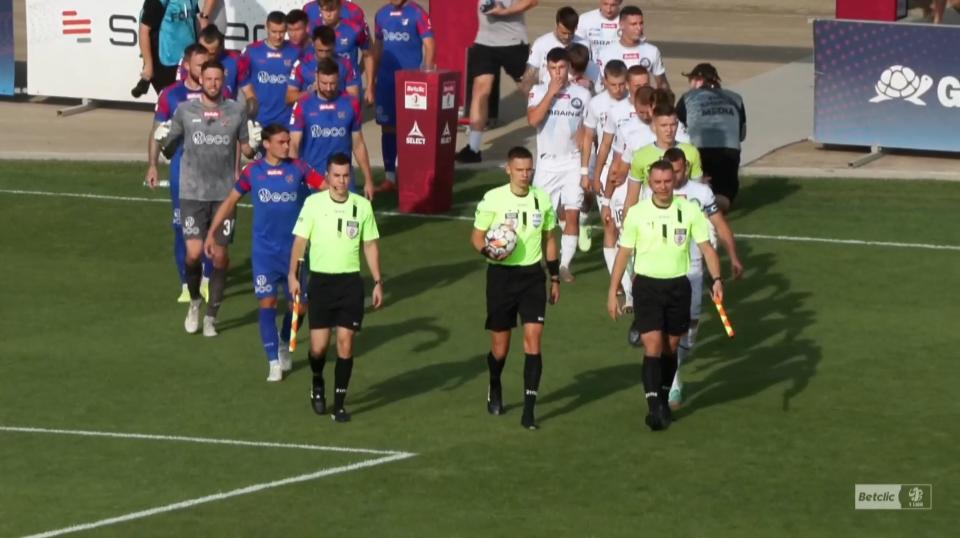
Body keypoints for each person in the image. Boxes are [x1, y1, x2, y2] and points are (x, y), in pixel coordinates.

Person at [607, 160, 724, 431]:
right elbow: (623, 253)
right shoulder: (638, 213)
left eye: (667, 181)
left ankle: (662, 398)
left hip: (678, 286)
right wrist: (613, 291)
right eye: (657, 182)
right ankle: (655, 408)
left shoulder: (689, 211)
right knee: (653, 346)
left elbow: (707, 249)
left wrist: (717, 279)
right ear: (650, 183)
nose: (662, 187)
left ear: (674, 181)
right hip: (647, 287)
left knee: (671, 347)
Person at [205, 125, 326, 381]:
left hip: (295, 252)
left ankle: (284, 340)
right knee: (267, 303)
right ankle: (272, 361)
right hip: (264, 254)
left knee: (300, 306)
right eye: (281, 142)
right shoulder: (253, 172)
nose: (287, 145)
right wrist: (211, 233)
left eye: (287, 141)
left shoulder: (299, 168)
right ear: (267, 144)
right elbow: (230, 201)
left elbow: (325, 187)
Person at [157, 59, 259, 336]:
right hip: (192, 193)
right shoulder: (185, 111)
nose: (213, 84)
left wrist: (256, 145)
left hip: (224, 196)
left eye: (217, 79)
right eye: (208, 79)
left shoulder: (236, 111)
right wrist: (163, 141)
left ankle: (211, 316)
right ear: (200, 79)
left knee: (220, 258)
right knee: (193, 254)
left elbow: (247, 150)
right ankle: (194, 302)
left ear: (224, 80)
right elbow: (170, 148)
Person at [288, 153, 384, 423]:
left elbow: (370, 244)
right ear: (327, 177)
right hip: (321, 283)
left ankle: (339, 404)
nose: (341, 181)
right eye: (336, 176)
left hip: (350, 284)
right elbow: (300, 242)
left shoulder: (362, 207)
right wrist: (293, 275)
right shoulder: (313, 204)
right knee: (319, 348)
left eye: (345, 176)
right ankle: (317, 380)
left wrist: (378, 281)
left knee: (345, 342)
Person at [471, 146, 560, 430]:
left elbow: (549, 239)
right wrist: (490, 252)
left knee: (533, 339)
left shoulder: (542, 199)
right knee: (500, 347)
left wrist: (554, 277)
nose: (525, 175)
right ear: (508, 169)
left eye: (529, 170)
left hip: (532, 277)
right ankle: (494, 382)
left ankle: (529, 411)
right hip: (501, 278)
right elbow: (477, 237)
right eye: (519, 170)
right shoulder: (493, 199)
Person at [652, 147, 743, 409]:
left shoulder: (701, 194)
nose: (673, 177)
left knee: (688, 331)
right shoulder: (653, 193)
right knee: (667, 329)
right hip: (662, 270)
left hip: (693, 269)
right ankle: (673, 383)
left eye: (678, 171)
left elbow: (720, 225)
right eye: (670, 172)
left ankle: (672, 370)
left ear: (686, 168)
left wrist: (733, 257)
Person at [146, 44, 211, 303]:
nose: (204, 70)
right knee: (181, 228)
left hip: (213, 171)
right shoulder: (170, 95)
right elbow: (157, 131)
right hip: (182, 171)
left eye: (207, 65)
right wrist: (153, 164)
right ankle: (186, 283)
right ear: (186, 65)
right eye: (199, 65)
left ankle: (206, 280)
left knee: (210, 227)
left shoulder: (217, 91)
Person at [526, 47, 592, 283]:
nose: (557, 72)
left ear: (569, 67)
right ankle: (539, 258)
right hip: (547, 163)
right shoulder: (537, 91)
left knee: (572, 212)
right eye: (553, 68)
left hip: (572, 161)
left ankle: (564, 265)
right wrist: (551, 93)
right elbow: (533, 120)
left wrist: (585, 167)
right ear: (547, 68)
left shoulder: (582, 94)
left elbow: (588, 130)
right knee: (540, 217)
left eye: (561, 67)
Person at [455, 0, 539, 164]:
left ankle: (555, 131)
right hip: (484, 42)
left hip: (513, 42)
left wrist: (505, 12)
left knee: (531, 89)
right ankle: (473, 149)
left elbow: (532, 1)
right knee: (480, 91)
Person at [371, 0, 435, 192]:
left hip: (412, 83)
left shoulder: (418, 13)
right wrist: (372, 80)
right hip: (386, 82)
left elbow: (430, 44)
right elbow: (378, 47)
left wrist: (426, 75)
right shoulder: (381, 14)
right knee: (388, 128)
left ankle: (415, 175)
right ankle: (390, 177)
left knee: (415, 129)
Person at [290, 58, 375, 200]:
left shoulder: (351, 104)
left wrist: (368, 179)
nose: (329, 88)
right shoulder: (303, 105)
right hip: (313, 179)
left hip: (343, 179)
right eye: (324, 83)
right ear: (316, 78)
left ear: (338, 79)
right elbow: (293, 144)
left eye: (333, 83)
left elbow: (358, 144)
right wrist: (294, 177)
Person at [582, 59, 629, 307]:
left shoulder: (634, 103)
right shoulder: (596, 104)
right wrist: (589, 172)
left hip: (630, 173)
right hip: (607, 174)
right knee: (610, 225)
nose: (618, 89)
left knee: (628, 228)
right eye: (613, 85)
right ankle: (618, 280)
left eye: (622, 84)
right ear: (605, 82)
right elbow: (590, 137)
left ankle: (631, 280)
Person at [677, 63, 746, 213]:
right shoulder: (736, 98)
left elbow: (677, 132)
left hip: (698, 149)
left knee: (696, 186)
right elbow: (742, 135)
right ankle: (711, 207)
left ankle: (696, 205)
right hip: (730, 149)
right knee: (725, 194)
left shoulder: (688, 98)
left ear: (698, 80)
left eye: (690, 80)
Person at [622, 103, 703, 215]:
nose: (669, 130)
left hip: (683, 216)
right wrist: (626, 224)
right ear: (654, 127)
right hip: (652, 217)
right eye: (664, 125)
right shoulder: (641, 156)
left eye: (672, 125)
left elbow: (699, 192)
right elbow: (631, 198)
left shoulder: (691, 152)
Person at [238, 12, 301, 135]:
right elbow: (240, 80)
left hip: (286, 121)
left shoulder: (296, 52)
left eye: (282, 32)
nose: (278, 36)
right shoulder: (251, 51)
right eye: (274, 31)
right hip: (260, 120)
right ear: (266, 27)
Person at [135, 0, 201, 96]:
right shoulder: (158, 2)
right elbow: (144, 30)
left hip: (188, 60)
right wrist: (148, 66)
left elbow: (196, 22)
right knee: (171, 101)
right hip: (166, 62)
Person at [595, 6, 668, 90]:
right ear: (621, 25)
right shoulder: (606, 53)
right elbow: (602, 86)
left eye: (641, 23)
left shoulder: (652, 51)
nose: (639, 28)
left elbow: (662, 83)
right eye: (633, 24)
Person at [286, 25, 361, 105]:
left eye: (328, 51)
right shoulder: (301, 65)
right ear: (313, 44)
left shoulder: (346, 64)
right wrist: (310, 91)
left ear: (334, 45)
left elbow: (354, 98)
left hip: (337, 111)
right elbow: (290, 98)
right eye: (320, 50)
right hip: (311, 111)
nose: (324, 55)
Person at [315, 0, 372, 103]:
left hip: (349, 87)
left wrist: (369, 87)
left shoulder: (355, 29)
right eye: (325, 10)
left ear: (340, 8)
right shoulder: (312, 29)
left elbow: (368, 55)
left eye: (332, 10)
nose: (328, 14)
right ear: (320, 9)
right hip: (323, 87)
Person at [520, 6, 585, 92]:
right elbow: (529, 75)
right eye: (563, 32)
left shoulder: (584, 44)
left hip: (575, 94)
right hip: (546, 93)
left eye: (570, 33)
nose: (566, 37)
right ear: (557, 25)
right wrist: (530, 96)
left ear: (576, 28)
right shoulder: (540, 43)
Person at [176, 25, 241, 99]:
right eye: (202, 50)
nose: (206, 57)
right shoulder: (189, 62)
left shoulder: (236, 61)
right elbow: (179, 93)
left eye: (211, 54)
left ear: (220, 48)